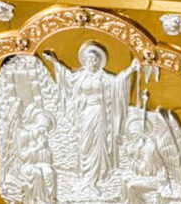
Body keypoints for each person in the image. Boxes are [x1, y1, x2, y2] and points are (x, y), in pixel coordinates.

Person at [41, 44, 140, 190]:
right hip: (85, 114)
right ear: (85, 61)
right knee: (85, 143)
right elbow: (67, 77)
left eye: (94, 60)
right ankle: (85, 176)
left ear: (99, 62)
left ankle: (97, 178)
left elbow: (118, 82)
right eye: (88, 59)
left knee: (99, 143)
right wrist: (54, 61)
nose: (91, 62)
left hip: (100, 114)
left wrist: (131, 69)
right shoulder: (80, 76)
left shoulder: (104, 78)